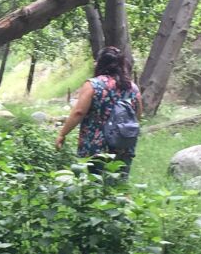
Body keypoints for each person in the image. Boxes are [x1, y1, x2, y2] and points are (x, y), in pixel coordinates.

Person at [55, 46, 142, 176]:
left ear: (100, 63)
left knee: (96, 182)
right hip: (123, 143)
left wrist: (62, 134)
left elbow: (79, 112)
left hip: (97, 145)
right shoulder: (132, 88)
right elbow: (138, 115)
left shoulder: (93, 85)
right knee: (119, 183)